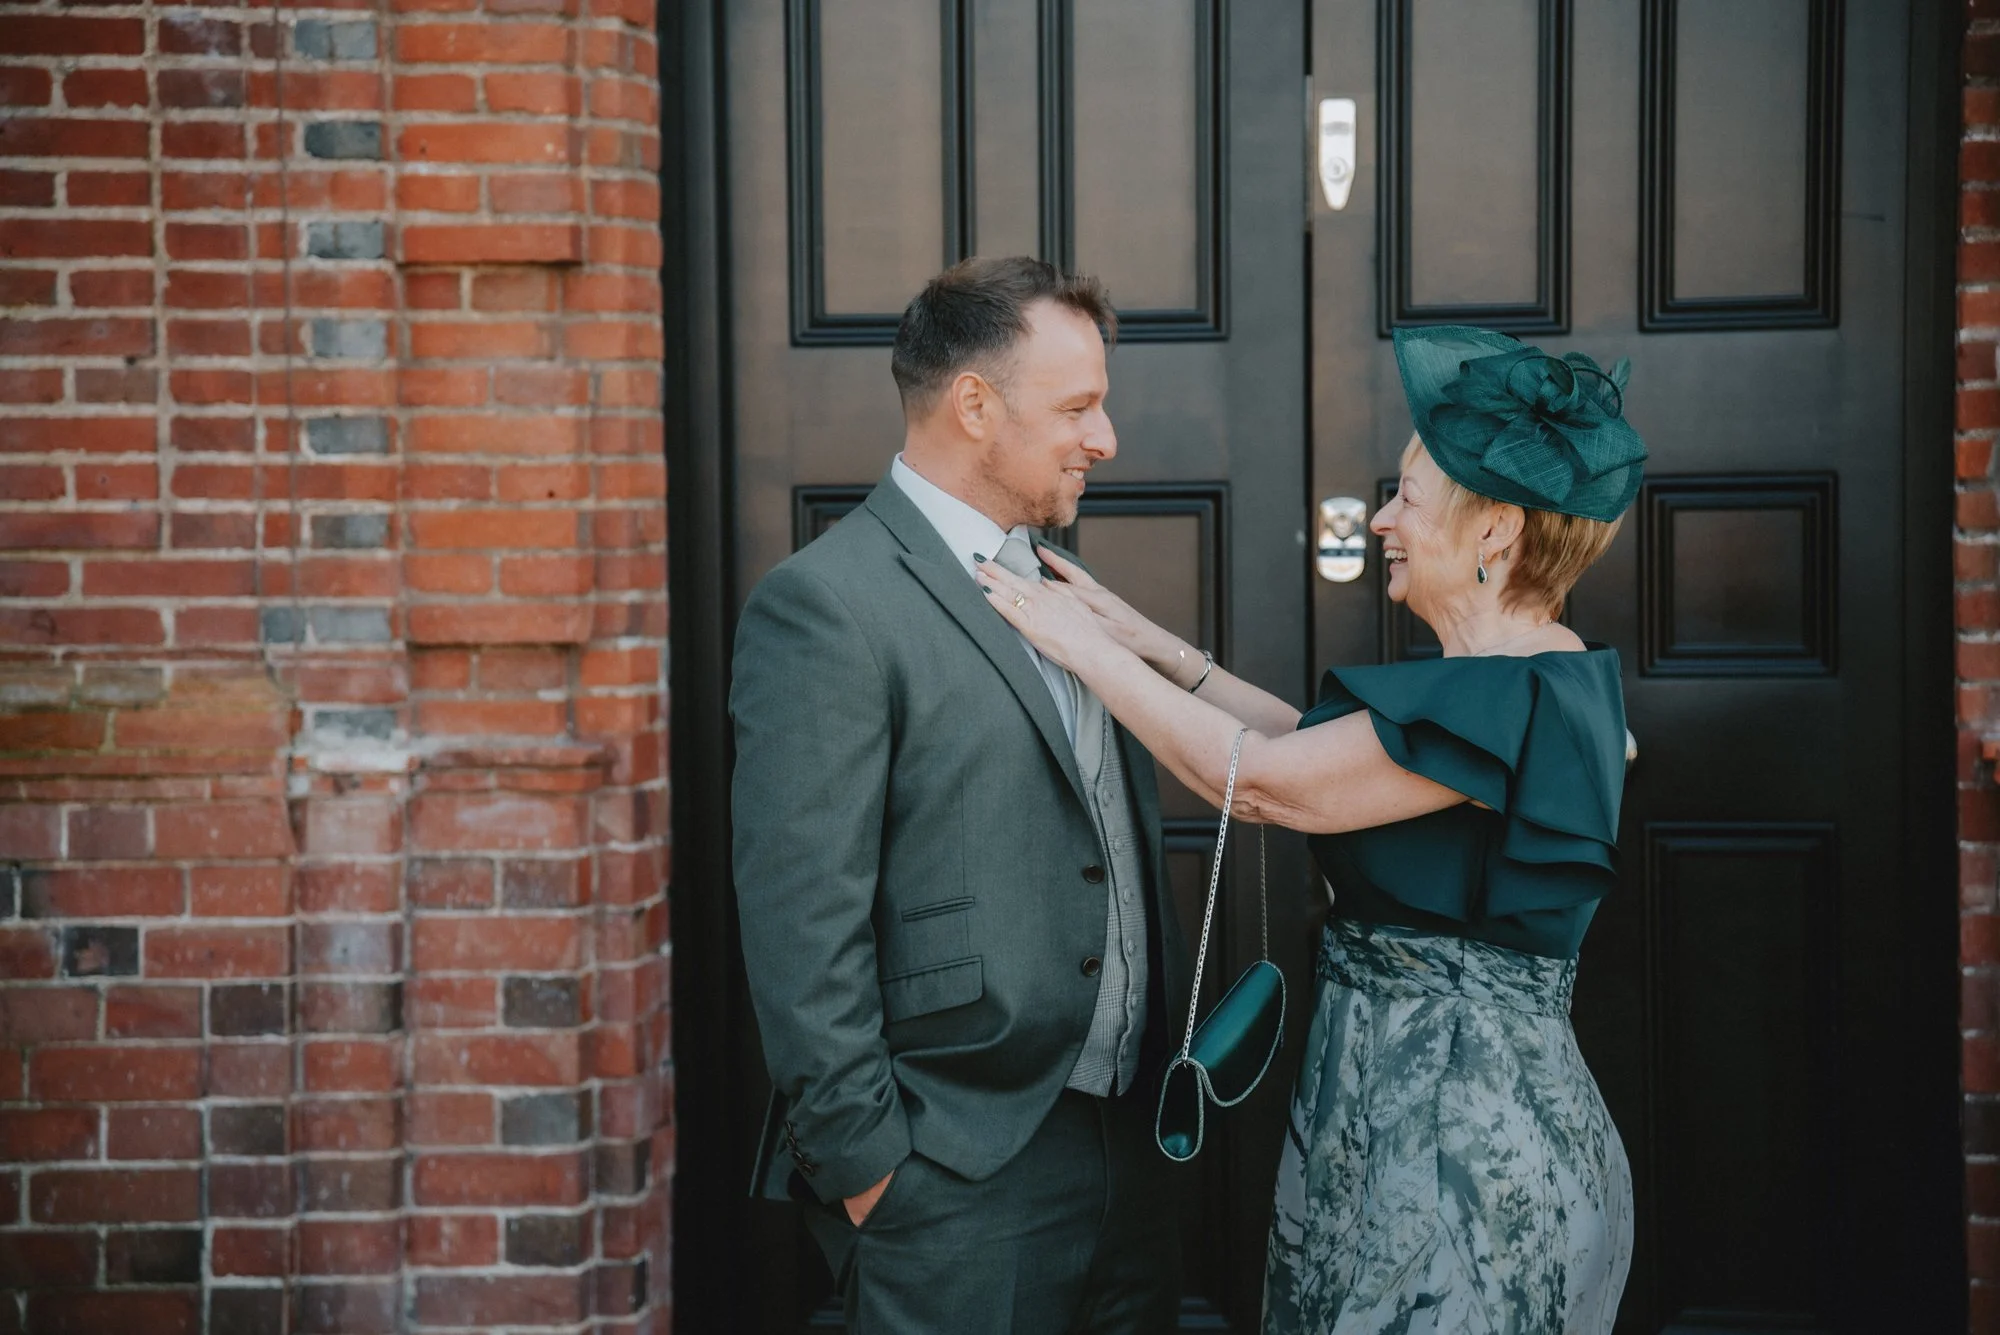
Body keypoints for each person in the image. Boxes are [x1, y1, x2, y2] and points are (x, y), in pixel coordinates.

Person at [974, 325, 1644, 1333]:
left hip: (1458, 1170)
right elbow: (1311, 751)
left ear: (1495, 532)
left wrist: (1077, 652)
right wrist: (1147, 644)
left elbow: (1264, 786)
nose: (1380, 519)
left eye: (1407, 499)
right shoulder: (1516, 684)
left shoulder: (1510, 699)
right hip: (1410, 1135)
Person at [730, 255, 1191, 1334]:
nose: (1105, 438)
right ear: (973, 405)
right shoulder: (825, 607)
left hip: (1127, 1147)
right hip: (948, 1171)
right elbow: (802, 921)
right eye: (1077, 407)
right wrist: (869, 1168)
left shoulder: (1065, 587)